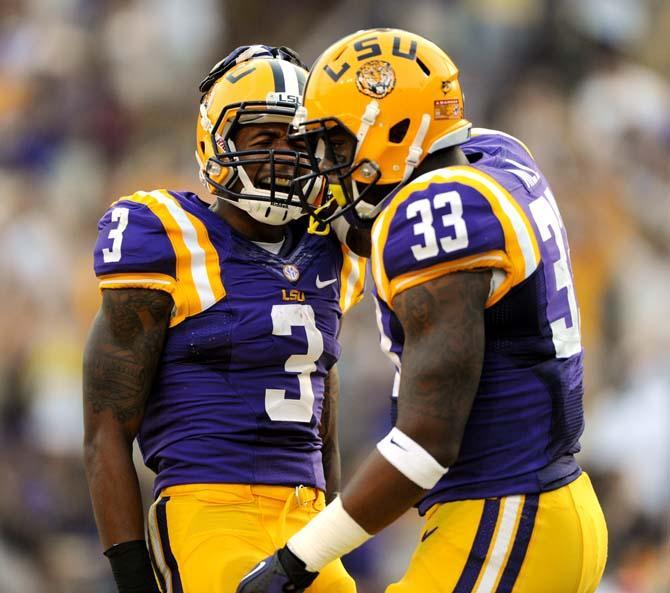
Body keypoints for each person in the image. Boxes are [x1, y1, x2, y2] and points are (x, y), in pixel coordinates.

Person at [237, 29, 608, 593]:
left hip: (507, 513)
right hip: (544, 509)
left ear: (396, 131)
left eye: (335, 144)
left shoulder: (436, 214)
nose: (322, 164)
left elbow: (425, 445)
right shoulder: (496, 158)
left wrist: (295, 558)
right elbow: (377, 223)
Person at [83, 45, 364, 593]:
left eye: (299, 140)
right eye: (264, 139)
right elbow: (105, 431)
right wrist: (133, 575)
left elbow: (322, 417)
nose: (285, 155)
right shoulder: (166, 236)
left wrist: (328, 532)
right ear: (217, 142)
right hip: (206, 512)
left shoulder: (332, 249)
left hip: (308, 528)